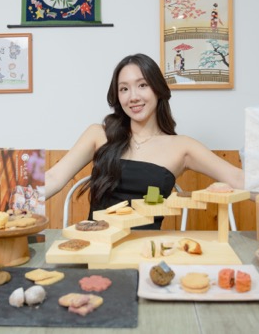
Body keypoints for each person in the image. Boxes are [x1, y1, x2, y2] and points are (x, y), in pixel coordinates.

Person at [44, 53, 244, 229]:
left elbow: (236, 178)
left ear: (157, 89)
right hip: (97, 246)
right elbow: (53, 177)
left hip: (146, 250)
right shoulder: (98, 134)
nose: (133, 97)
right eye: (124, 89)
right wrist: (23, 202)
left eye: (142, 85)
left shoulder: (182, 147)